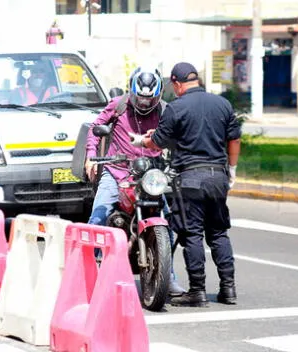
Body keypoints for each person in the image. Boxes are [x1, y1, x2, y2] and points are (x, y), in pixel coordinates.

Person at [137, 62, 241, 307]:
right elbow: (234, 139)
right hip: (218, 176)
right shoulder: (223, 104)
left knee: (192, 233)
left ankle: (197, 291)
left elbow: (158, 143)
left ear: (177, 83)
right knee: (218, 232)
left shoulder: (176, 107)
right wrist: (232, 170)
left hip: (190, 178)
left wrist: (142, 141)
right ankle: (228, 289)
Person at [85, 66, 185, 296]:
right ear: (132, 93)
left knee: (165, 218)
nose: (143, 104)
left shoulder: (164, 110)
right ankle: (90, 270)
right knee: (97, 216)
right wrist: (91, 156)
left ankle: (168, 277)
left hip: (150, 173)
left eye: (148, 99)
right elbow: (94, 128)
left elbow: (176, 137)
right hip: (116, 170)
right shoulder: (118, 105)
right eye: (139, 98)